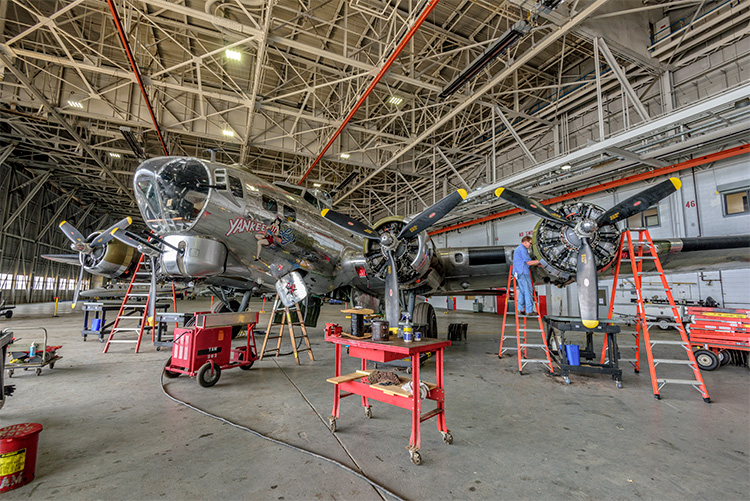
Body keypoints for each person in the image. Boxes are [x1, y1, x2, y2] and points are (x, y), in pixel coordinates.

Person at [513, 235, 540, 316]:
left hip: (519, 273)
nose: (531, 245)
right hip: (523, 273)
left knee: (522, 291)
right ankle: (529, 310)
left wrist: (538, 264)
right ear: (525, 242)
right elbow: (529, 262)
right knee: (528, 290)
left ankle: (520, 309)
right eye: (530, 243)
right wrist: (541, 261)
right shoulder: (522, 249)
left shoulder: (518, 249)